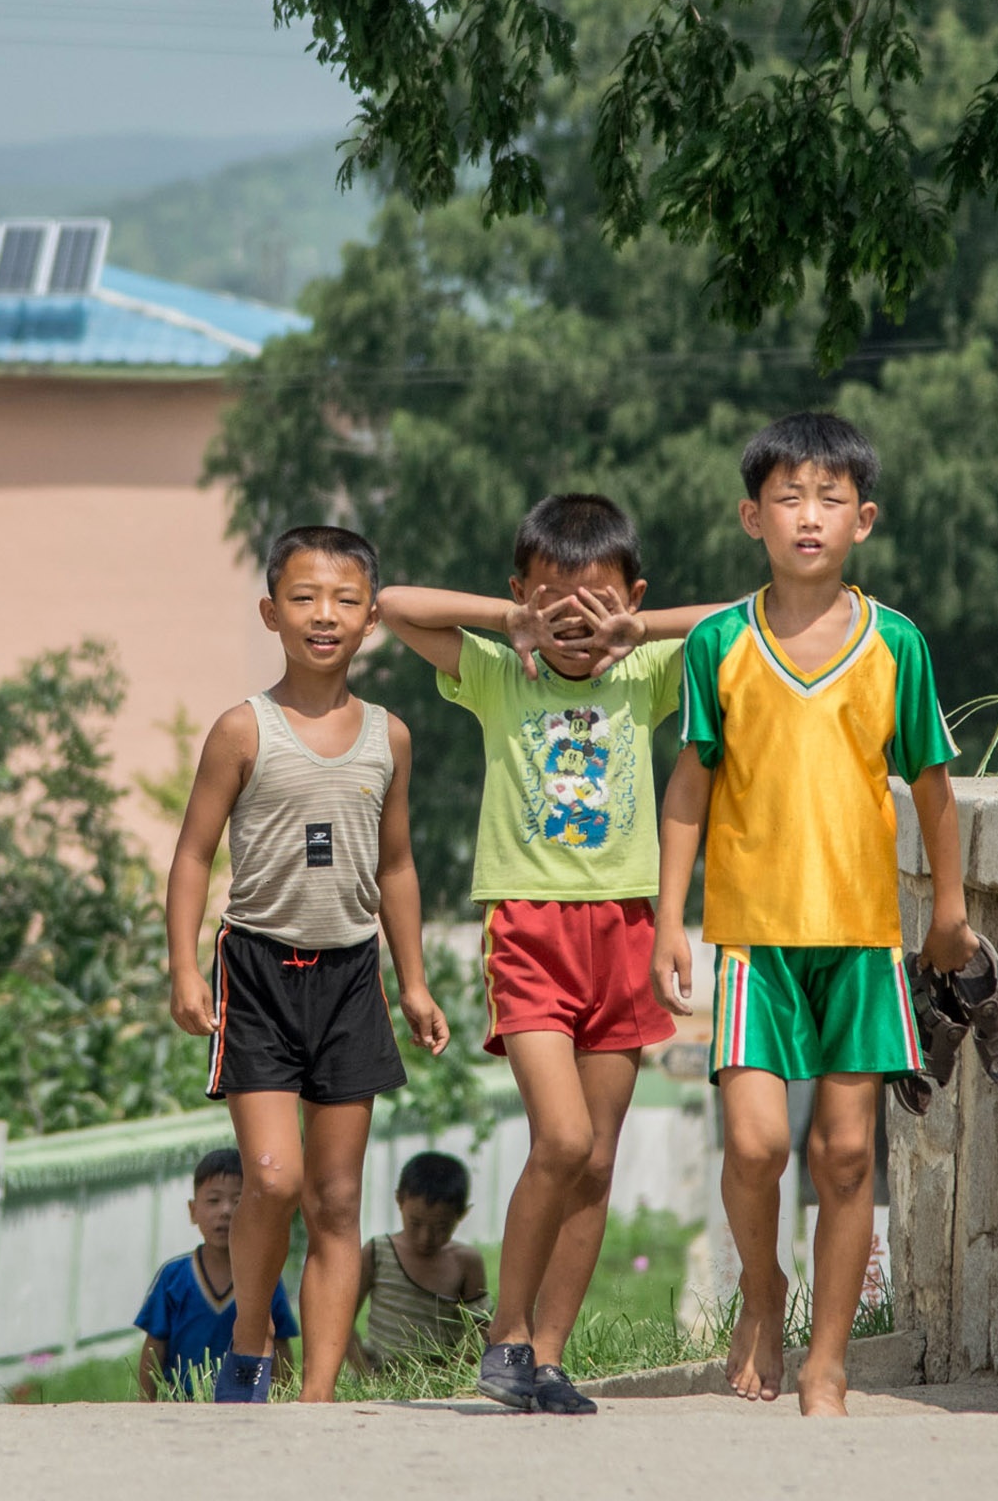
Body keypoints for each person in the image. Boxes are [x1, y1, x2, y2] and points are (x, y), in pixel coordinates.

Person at [650, 411, 976, 1416]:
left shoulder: (897, 647)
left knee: (844, 1155)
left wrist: (951, 913)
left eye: (830, 499)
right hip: (752, 940)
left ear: (863, 520)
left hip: (864, 944)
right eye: (788, 497)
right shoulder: (718, 645)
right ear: (752, 516)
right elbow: (689, 786)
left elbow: (931, 787)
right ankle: (762, 1290)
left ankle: (825, 1361)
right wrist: (671, 919)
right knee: (755, 1146)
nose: (808, 516)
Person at [376, 494, 704, 1416]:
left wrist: (635, 628)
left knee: (596, 1160)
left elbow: (747, 618)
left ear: (632, 599)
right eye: (554, 605)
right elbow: (394, 604)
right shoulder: (499, 675)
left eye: (596, 606)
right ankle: (505, 1336)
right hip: (529, 929)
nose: (575, 626)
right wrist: (506, 620)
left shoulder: (645, 674)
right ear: (523, 595)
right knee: (559, 1138)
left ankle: (548, 1357)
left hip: (626, 931)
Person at [162, 525, 450, 1405]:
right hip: (256, 972)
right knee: (275, 1180)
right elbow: (192, 855)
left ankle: (315, 1397)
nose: (324, 616)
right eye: (303, 598)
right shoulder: (244, 731)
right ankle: (252, 1341)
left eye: (345, 600)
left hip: (351, 977)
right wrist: (184, 969)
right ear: (270, 612)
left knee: (334, 1200)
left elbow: (396, 866)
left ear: (370, 618)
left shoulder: (390, 738)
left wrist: (414, 981)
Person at [134, 1149, 298, 1398]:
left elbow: (281, 1346)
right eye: (213, 1200)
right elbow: (154, 1348)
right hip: (182, 1406)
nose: (225, 1211)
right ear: (193, 1210)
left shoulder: (266, 1277)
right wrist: (145, 1403)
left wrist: (283, 1397)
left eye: (238, 1201)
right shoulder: (173, 1278)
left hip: (244, 1401)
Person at [347, 1150, 487, 1372]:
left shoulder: (466, 1262)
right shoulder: (378, 1252)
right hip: (379, 1374)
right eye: (415, 1223)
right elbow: (342, 1320)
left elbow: (480, 1329)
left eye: (441, 1227)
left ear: (462, 1214)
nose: (426, 1238)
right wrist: (367, 1375)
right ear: (399, 1200)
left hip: (435, 1381)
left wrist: (455, 1372)